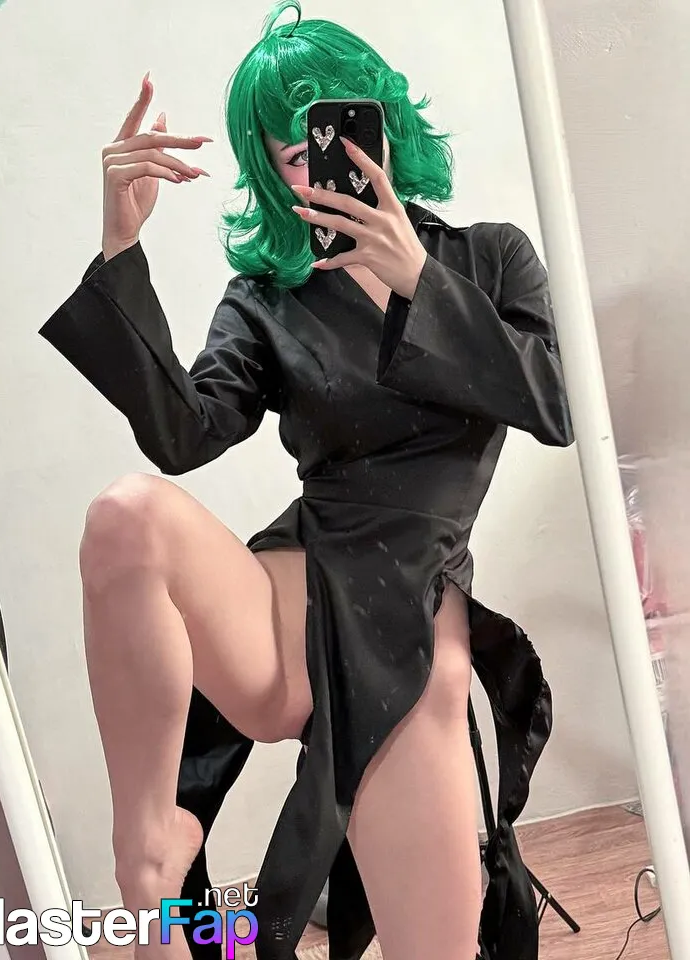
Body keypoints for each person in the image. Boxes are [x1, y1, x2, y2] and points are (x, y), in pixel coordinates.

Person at [39, 3, 573, 960]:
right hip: (292, 595)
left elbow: (555, 403)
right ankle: (148, 846)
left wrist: (417, 279)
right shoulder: (267, 300)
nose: (329, 165)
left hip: (414, 615)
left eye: (345, 129)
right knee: (126, 516)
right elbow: (183, 434)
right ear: (272, 173)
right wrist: (122, 249)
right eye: (295, 154)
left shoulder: (490, 259)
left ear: (387, 122)